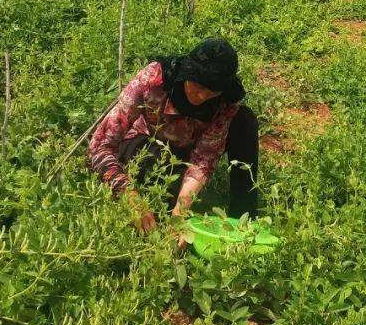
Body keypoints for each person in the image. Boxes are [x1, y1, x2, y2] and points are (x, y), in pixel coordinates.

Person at [88, 38, 259, 233]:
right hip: (147, 144)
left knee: (245, 120)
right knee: (154, 174)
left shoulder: (225, 102)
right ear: (187, 73)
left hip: (185, 154)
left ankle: (243, 223)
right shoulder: (153, 80)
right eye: (199, 86)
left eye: (212, 92)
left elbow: (204, 158)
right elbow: (100, 146)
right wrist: (130, 196)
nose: (202, 96)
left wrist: (181, 211)